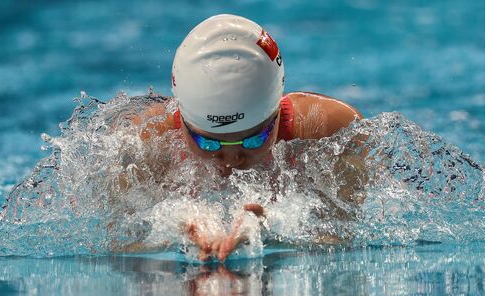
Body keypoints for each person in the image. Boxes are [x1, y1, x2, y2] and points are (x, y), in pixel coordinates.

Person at [119, 14, 364, 261]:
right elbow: (114, 244)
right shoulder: (147, 142)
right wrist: (173, 230)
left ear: (277, 113)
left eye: (254, 139)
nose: (232, 159)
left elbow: (352, 237)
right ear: (182, 120)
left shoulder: (328, 133)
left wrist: (273, 230)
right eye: (208, 142)